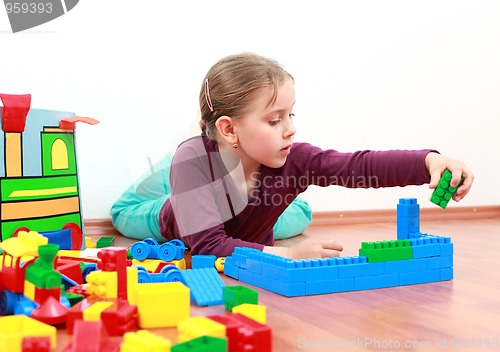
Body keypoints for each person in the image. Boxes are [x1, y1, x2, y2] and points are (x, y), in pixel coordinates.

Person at [112, 53, 474, 260]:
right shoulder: (193, 160)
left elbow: (356, 166)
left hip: (241, 212)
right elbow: (207, 247)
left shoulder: (293, 159)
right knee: (125, 213)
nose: (291, 129)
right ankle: (171, 177)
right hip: (169, 221)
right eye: (274, 120)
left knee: (292, 219)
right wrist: (288, 256)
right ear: (229, 128)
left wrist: (428, 161)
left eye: (291, 115)